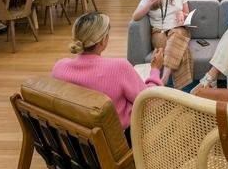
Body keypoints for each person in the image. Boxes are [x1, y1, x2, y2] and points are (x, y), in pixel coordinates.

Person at [52, 11, 163, 144]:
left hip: (76, 144)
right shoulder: (119, 68)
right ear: (103, 41)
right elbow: (150, 101)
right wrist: (155, 69)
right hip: (115, 145)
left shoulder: (59, 68)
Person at [130, 0, 194, 89]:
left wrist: (182, 13)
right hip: (158, 32)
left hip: (178, 29)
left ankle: (164, 79)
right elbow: (135, 17)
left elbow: (187, 14)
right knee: (182, 49)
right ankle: (183, 91)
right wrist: (151, 2)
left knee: (176, 36)